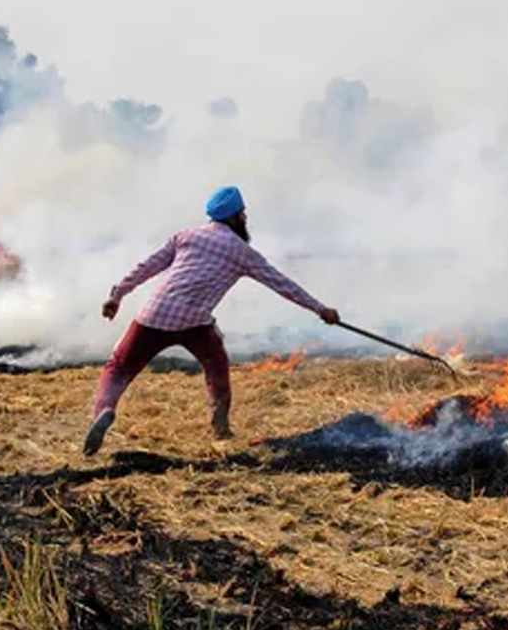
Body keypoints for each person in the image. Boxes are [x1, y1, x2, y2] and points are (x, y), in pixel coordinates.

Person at [81, 184, 339, 457]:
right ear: (235, 217)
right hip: (194, 322)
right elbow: (282, 285)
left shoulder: (185, 236)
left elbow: (147, 266)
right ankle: (220, 425)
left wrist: (118, 294)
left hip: (154, 315)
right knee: (216, 364)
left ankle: (105, 410)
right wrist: (320, 309)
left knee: (119, 367)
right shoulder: (242, 252)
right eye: (243, 214)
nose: (245, 219)